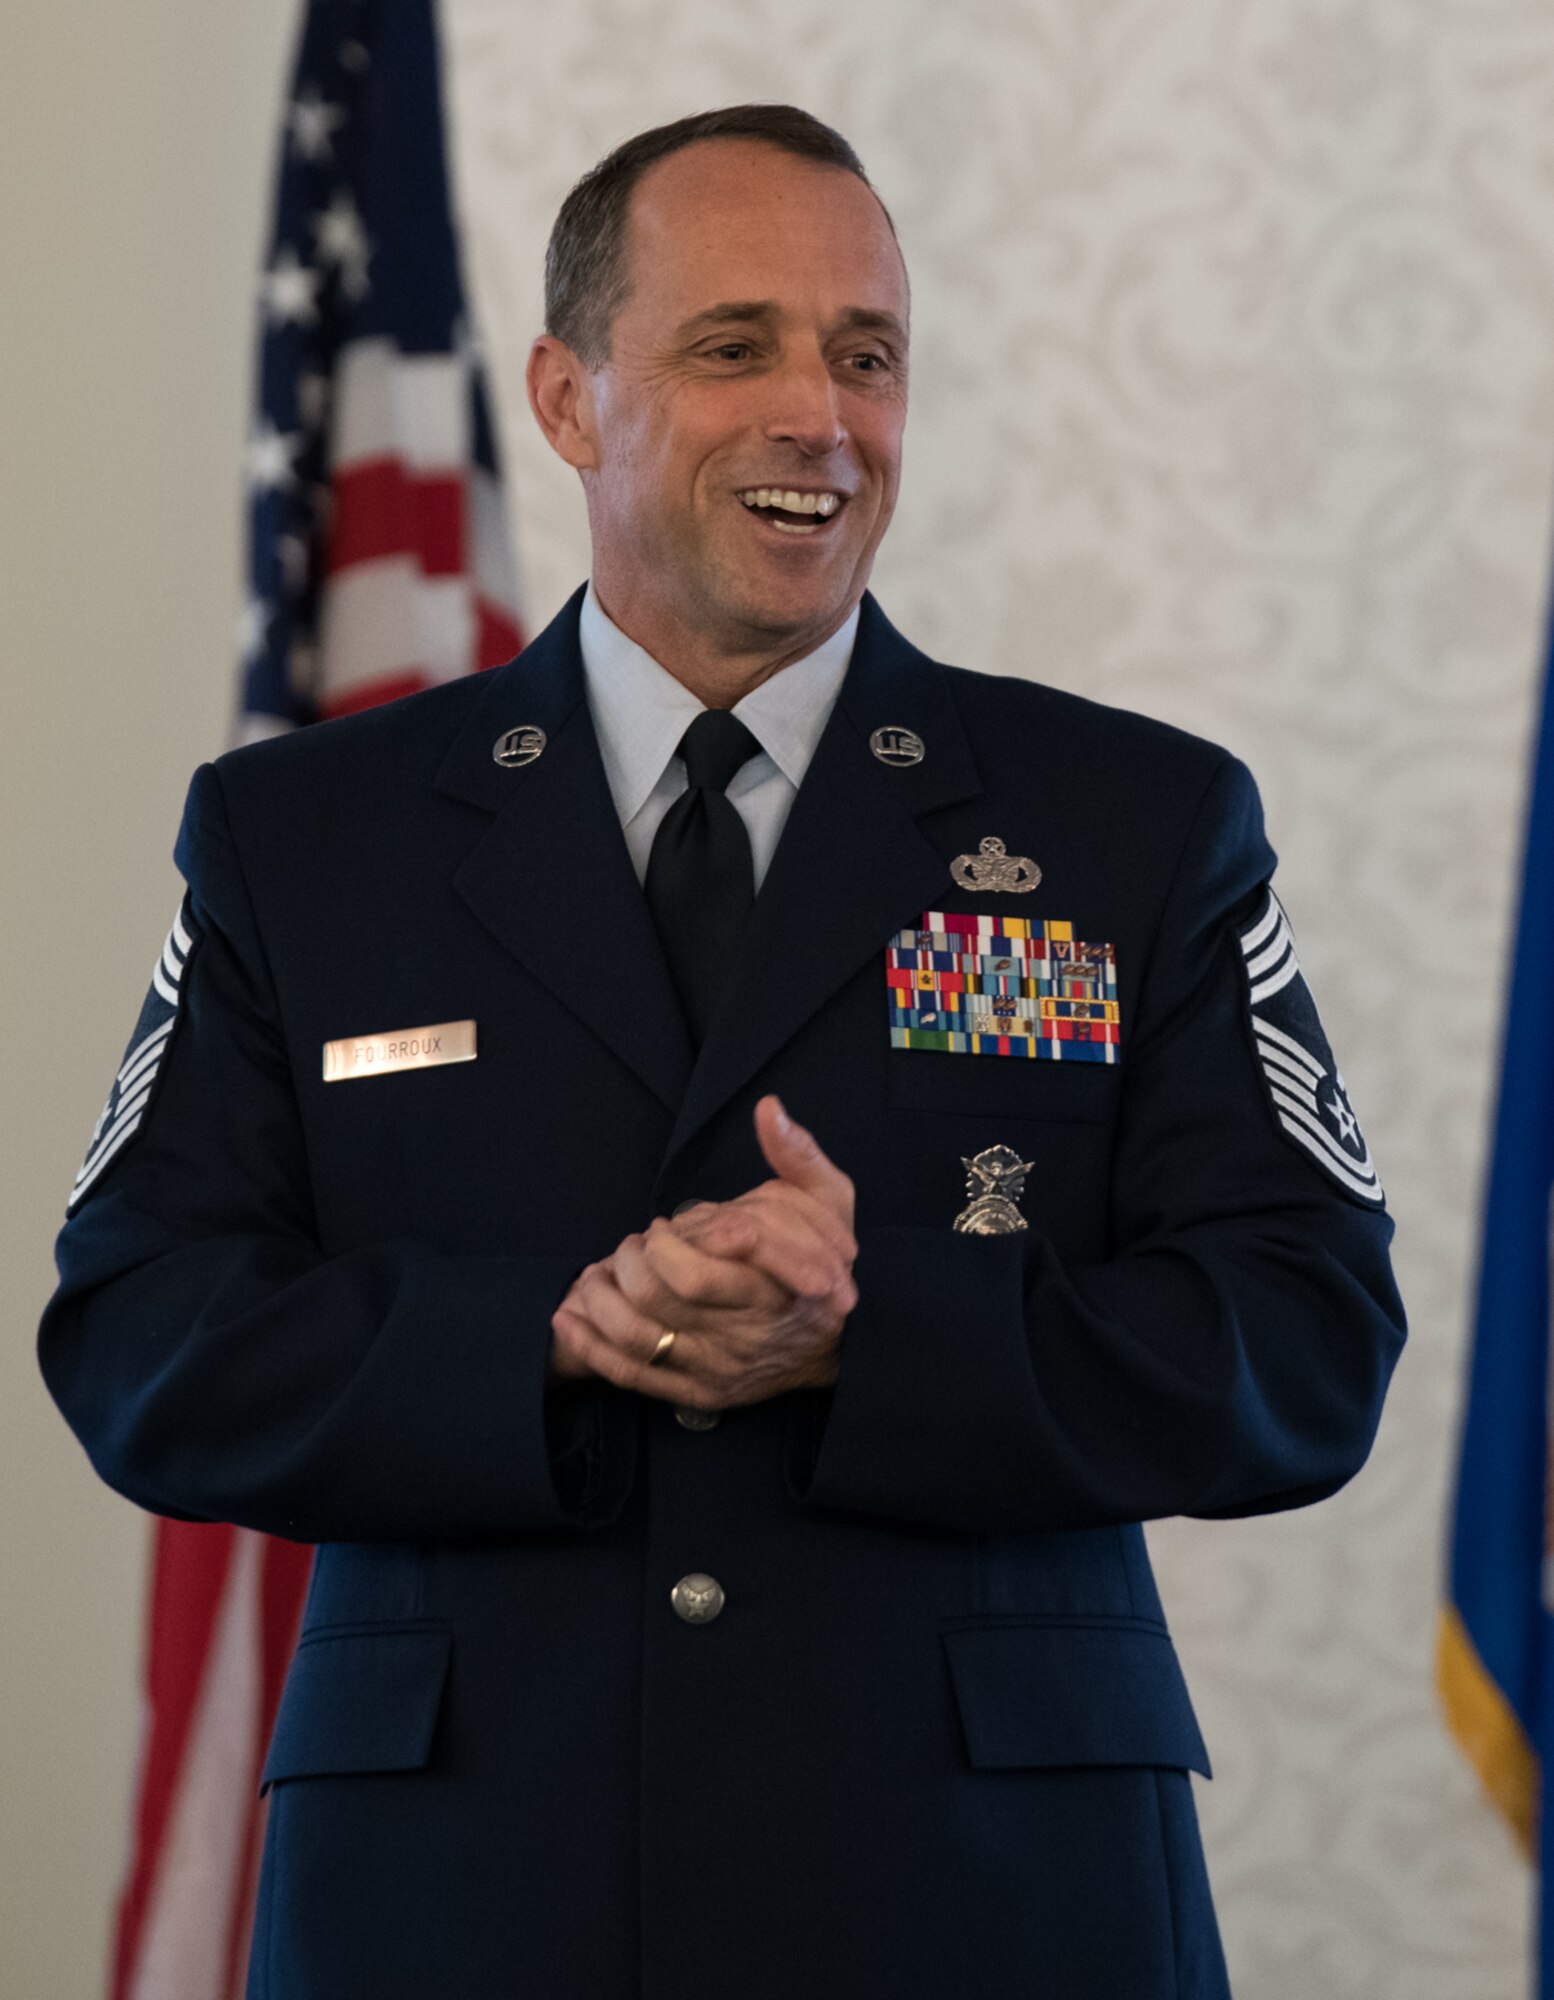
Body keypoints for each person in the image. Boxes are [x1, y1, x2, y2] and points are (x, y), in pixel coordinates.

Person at [40, 105, 1405, 2000]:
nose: (819, 417)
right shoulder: (307, 841)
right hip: (463, 1891)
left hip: (986, 1893)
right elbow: (142, 1334)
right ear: (566, 396)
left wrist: (882, 1333)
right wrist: (549, 1332)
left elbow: (1306, 1338)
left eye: (866, 356)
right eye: (731, 345)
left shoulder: (1131, 825)